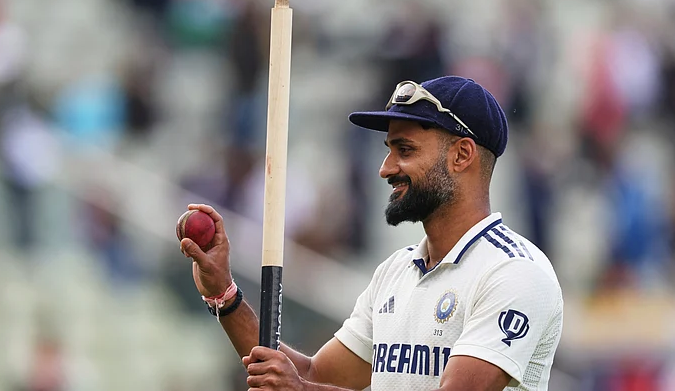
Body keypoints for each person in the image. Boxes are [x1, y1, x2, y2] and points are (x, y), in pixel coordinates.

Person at [178, 76, 564, 390]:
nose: (385, 168)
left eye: (405, 150)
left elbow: (305, 387)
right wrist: (223, 292)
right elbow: (312, 375)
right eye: (388, 149)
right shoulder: (395, 271)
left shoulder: (515, 271)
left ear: (461, 155)